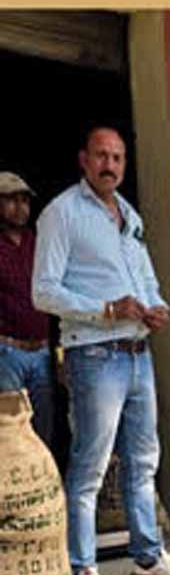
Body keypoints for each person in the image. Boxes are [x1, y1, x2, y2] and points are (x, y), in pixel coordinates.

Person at [32, 124, 170, 575]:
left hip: (138, 352)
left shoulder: (128, 215)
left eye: (118, 158)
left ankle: (147, 557)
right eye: (102, 156)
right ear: (84, 160)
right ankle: (82, 571)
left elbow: (144, 278)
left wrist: (156, 305)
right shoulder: (61, 213)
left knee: (144, 462)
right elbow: (44, 290)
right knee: (90, 467)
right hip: (95, 354)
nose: (111, 165)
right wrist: (105, 310)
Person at [0, 172, 54, 447]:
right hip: (7, 352)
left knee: (43, 432)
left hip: (42, 352)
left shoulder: (39, 242)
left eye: (24, 201)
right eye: (11, 200)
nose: (20, 207)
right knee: (11, 435)